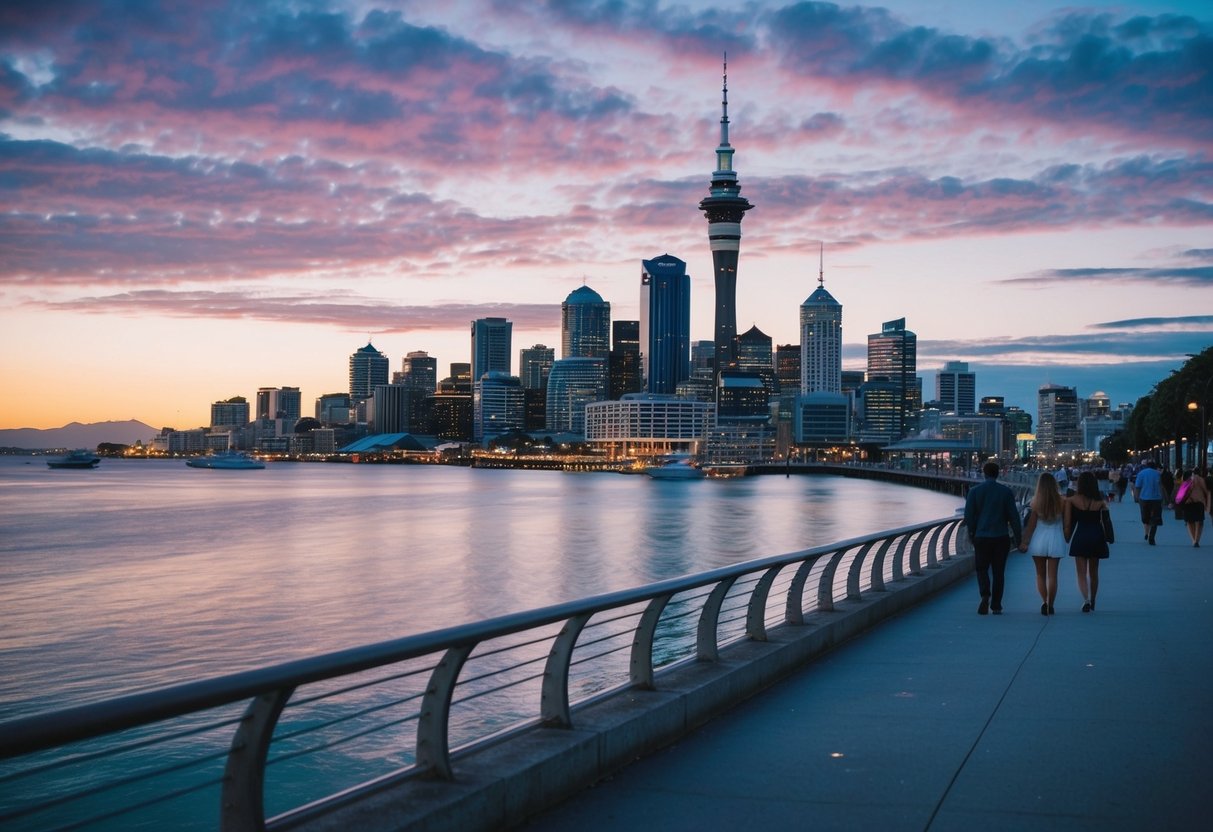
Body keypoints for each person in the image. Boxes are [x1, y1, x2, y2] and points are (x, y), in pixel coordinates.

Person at [964, 460, 1023, 615]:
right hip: (1001, 537)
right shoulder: (1006, 492)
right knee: (999, 572)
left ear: (984, 473)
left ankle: (985, 595)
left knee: (981, 569)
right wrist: (1019, 539)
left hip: (981, 537)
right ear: (998, 474)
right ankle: (996, 605)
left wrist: (972, 533)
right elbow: (1014, 517)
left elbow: (968, 516)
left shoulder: (974, 491)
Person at [1019, 472, 1067, 615]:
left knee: (1040, 574)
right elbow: (1066, 523)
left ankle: (1044, 601)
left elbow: (1031, 526)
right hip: (1056, 538)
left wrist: (1024, 541)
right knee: (1053, 576)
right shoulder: (1062, 501)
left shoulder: (1035, 502)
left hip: (1039, 539)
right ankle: (1051, 604)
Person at [1065, 471, 1111, 612]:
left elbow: (1068, 523)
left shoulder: (1072, 500)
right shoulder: (1100, 502)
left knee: (1081, 572)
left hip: (1081, 535)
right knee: (1094, 572)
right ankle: (1093, 599)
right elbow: (1107, 521)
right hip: (1096, 535)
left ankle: (1085, 599)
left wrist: (1066, 537)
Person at [1176, 469, 1211, 547]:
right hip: (1198, 502)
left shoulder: (1184, 479)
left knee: (1190, 521)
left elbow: (1180, 491)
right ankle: (1196, 540)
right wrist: (1207, 504)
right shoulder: (1199, 479)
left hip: (1187, 503)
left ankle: (1193, 540)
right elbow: (1206, 491)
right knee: (1199, 522)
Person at [1133, 459, 1164, 545]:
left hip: (1144, 498)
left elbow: (1137, 487)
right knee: (1155, 519)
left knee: (1145, 517)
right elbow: (1161, 487)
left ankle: (1146, 532)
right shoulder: (1158, 474)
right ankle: (1152, 537)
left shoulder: (1141, 473)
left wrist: (1136, 497)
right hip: (1156, 499)